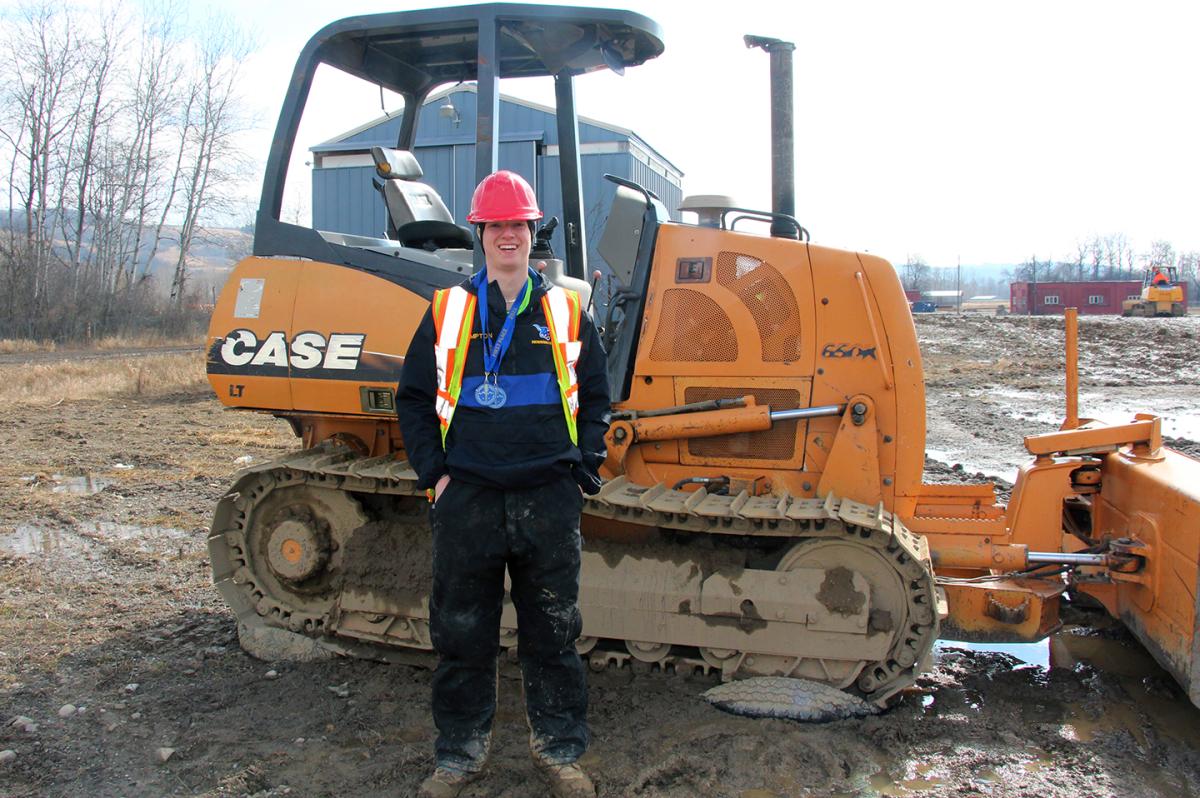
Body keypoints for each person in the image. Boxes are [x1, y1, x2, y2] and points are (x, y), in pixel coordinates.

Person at [396, 170, 610, 798]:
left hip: (547, 497)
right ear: (480, 234)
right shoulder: (448, 310)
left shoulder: (567, 308)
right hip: (470, 499)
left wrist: (583, 466)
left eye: (518, 225)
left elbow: (597, 396)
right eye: (497, 226)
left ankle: (560, 752)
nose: (508, 235)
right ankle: (459, 757)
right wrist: (435, 477)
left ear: (530, 232)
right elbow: (412, 399)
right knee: (461, 633)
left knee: (554, 633)